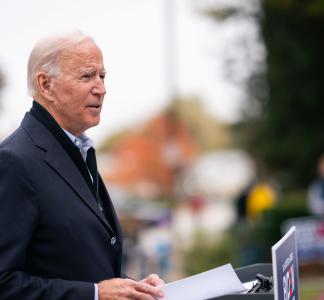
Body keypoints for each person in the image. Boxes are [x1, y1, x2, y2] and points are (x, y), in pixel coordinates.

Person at [0, 31, 164, 300]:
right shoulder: (14, 161)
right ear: (46, 85)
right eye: (87, 76)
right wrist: (96, 294)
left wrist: (134, 288)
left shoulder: (76, 151)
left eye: (102, 76)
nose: (101, 88)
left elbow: (80, 264)